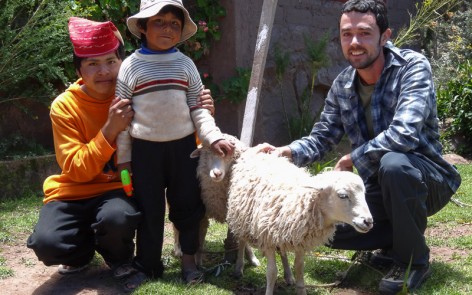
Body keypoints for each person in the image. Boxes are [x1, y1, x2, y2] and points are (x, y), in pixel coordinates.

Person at [257, 1, 462, 294]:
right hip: (375, 187)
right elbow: (322, 137)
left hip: (424, 179)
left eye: (364, 33)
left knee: (394, 164)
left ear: (385, 35)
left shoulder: (413, 68)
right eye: (346, 34)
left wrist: (353, 158)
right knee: (322, 225)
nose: (354, 42)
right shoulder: (342, 86)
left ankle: (412, 261)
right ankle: (395, 239)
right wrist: (287, 151)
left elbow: (403, 135)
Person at [26, 16, 215, 284]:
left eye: (111, 62)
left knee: (119, 217)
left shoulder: (136, 90)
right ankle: (80, 255)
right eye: (93, 64)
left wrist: (203, 113)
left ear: (121, 63)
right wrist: (110, 130)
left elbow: (171, 128)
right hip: (73, 192)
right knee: (48, 243)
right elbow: (76, 169)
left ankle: (119, 256)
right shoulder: (64, 106)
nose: (104, 71)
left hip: (115, 191)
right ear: (79, 70)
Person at [114, 0, 235, 290]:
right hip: (145, 151)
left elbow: (198, 109)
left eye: (174, 24)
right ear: (143, 27)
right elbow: (122, 119)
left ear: (181, 31)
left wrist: (213, 136)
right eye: (159, 22)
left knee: (188, 206)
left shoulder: (185, 65)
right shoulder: (130, 67)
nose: (167, 29)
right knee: (149, 209)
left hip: (183, 149)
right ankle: (148, 264)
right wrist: (124, 159)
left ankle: (189, 261)